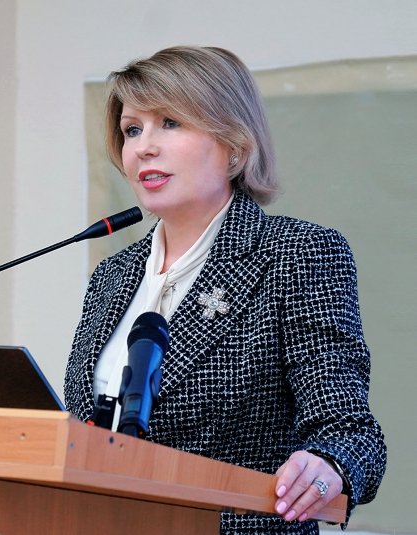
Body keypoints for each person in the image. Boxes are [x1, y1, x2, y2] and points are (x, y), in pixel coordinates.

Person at [64, 46, 386, 534]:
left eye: (170, 123)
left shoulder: (296, 254)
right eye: (132, 130)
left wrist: (328, 464)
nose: (144, 147)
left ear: (234, 144)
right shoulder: (112, 275)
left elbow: (349, 429)